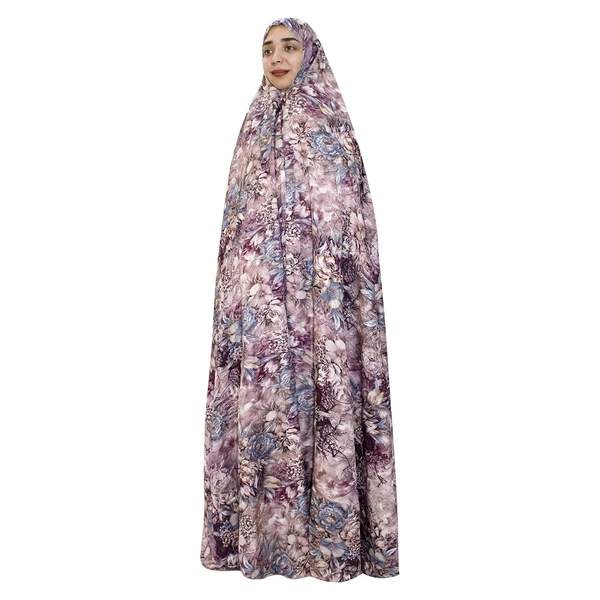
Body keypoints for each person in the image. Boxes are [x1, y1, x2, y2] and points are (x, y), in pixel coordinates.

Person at [200, 17, 399, 582]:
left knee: (324, 407)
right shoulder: (251, 129)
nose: (277, 58)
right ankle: (263, 545)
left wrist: (319, 278)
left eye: (289, 47)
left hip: (322, 310)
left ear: (310, 55)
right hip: (259, 312)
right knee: (264, 410)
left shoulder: (333, 129)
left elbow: (347, 217)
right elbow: (235, 229)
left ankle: (331, 545)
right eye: (267, 49)